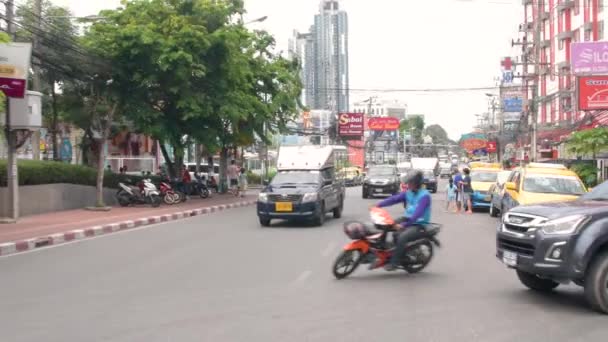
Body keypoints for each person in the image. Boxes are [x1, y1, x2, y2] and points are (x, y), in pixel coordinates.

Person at [374, 170, 432, 271]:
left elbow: (417, 214)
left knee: (402, 237)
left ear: (417, 183)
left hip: (418, 224)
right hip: (407, 219)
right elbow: (394, 199)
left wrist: (404, 225)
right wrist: (378, 205)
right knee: (387, 224)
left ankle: (394, 263)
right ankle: (386, 250)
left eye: (410, 183)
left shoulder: (425, 196)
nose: (408, 185)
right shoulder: (409, 193)